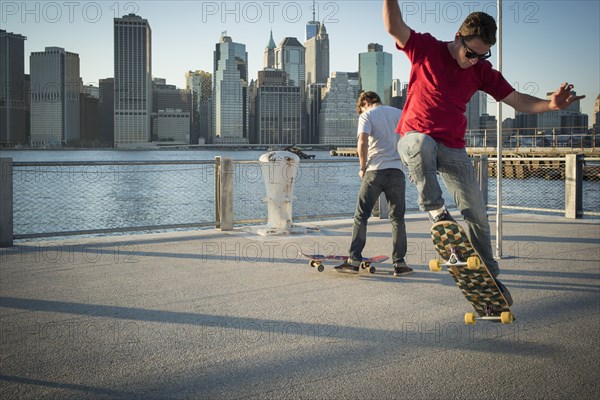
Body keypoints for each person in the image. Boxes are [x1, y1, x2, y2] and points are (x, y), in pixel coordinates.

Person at [382, 0, 585, 300]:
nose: (474, 60)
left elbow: (517, 100)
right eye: (470, 53)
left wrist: (550, 105)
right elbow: (393, 26)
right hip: (414, 138)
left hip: (453, 147)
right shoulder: (426, 48)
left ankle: (489, 276)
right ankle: (437, 213)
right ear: (457, 38)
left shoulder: (482, 71)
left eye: (482, 54)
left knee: (477, 213)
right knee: (422, 144)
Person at [334, 91, 413, 277]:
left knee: (361, 216)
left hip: (375, 170)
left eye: (360, 108)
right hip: (397, 172)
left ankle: (354, 261)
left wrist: (362, 166)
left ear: (366, 102)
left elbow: (362, 141)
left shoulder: (367, 115)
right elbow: (410, 141)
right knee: (398, 219)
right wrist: (410, 166)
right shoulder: (399, 113)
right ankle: (400, 264)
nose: (360, 111)